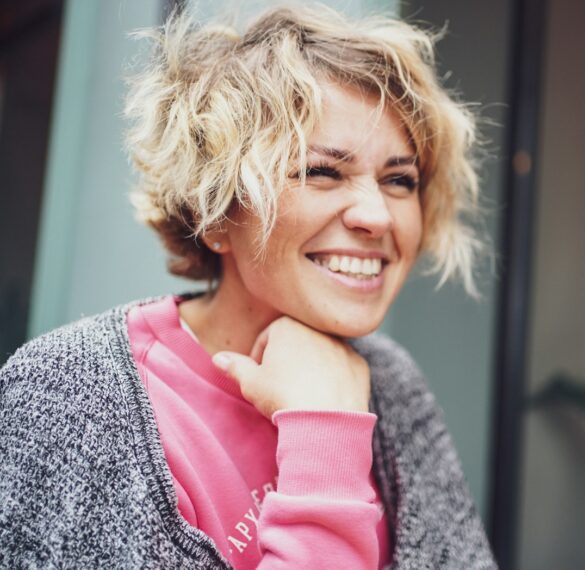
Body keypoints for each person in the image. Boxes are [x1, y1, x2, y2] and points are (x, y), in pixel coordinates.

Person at [0, 5, 495, 569]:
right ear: (215, 213)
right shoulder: (69, 397)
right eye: (322, 172)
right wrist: (325, 431)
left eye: (399, 180)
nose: (377, 216)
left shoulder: (392, 381)